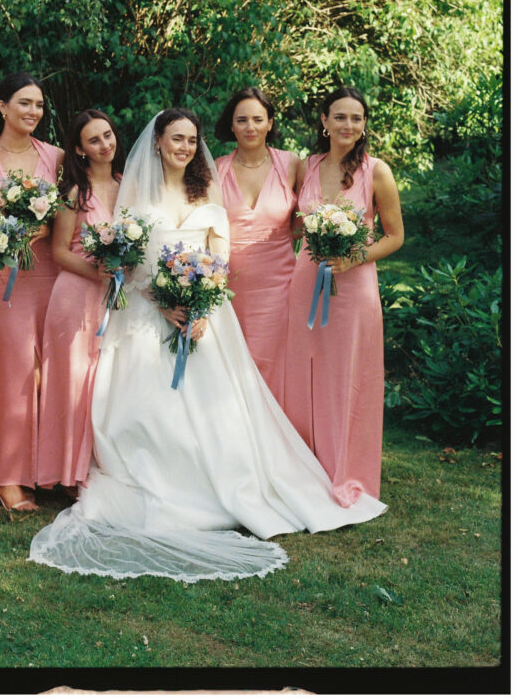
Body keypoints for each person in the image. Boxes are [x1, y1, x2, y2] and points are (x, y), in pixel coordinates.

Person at [29, 108, 386, 583]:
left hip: (205, 312)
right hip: (148, 312)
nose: (185, 147)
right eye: (176, 139)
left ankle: (229, 485)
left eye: (192, 140)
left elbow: (221, 252)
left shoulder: (207, 188)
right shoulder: (134, 192)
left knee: (223, 408)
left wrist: (199, 303)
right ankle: (156, 484)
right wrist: (163, 301)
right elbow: (131, 259)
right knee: (143, 410)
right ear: (157, 142)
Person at [284, 86, 404, 507]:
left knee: (350, 375)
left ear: (364, 123)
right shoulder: (307, 166)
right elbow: (294, 226)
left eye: (356, 117)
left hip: (354, 286)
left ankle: (348, 470)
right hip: (306, 281)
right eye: (340, 117)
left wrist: (354, 259)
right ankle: (306, 465)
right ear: (324, 121)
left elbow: (395, 236)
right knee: (305, 372)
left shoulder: (378, 171)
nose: (348, 125)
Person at [0, 73, 64, 513]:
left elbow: (73, 212)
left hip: (50, 274)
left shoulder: (56, 157)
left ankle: (48, 470)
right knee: (14, 374)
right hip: (3, 281)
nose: (33, 112)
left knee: (50, 374)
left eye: (39, 105)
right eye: (25, 103)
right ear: (1, 107)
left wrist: (42, 226)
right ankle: (6, 476)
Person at [36, 110, 124, 493]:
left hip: (112, 299)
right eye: (94, 140)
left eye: (107, 135)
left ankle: (100, 467)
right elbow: (58, 252)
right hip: (75, 297)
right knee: (73, 384)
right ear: (79, 149)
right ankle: (68, 475)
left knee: (105, 385)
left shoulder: (127, 185)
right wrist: (97, 273)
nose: (105, 145)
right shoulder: (76, 192)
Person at [215, 88, 299, 407]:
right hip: (227, 284)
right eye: (242, 120)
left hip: (281, 285)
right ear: (232, 127)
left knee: (274, 363)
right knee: (231, 365)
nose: (250, 126)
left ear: (270, 124)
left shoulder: (292, 165)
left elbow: (307, 215)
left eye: (257, 119)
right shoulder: (216, 168)